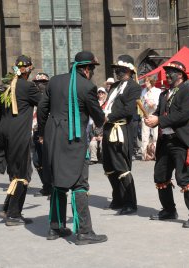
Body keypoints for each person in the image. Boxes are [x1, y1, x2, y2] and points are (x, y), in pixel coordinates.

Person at [37, 51, 107, 245]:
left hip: (52, 136)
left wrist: (42, 133)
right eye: (92, 69)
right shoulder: (87, 87)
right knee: (79, 183)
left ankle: (55, 227)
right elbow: (98, 116)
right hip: (73, 139)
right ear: (85, 69)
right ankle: (84, 231)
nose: (92, 73)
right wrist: (102, 118)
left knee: (57, 181)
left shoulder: (54, 81)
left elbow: (42, 108)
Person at [145, 61, 189, 228]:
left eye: (171, 72)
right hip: (165, 141)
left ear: (180, 74)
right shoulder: (164, 94)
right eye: (167, 72)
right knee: (160, 176)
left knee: (183, 178)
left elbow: (183, 115)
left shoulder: (188, 91)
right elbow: (159, 112)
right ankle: (169, 210)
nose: (167, 75)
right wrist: (152, 119)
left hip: (180, 141)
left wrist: (160, 120)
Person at [0, 55, 41, 226]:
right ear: (28, 70)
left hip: (5, 135)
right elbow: (44, 104)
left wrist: (1, 130)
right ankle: (13, 215)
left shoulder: (2, 88)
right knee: (22, 174)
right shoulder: (28, 87)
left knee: (15, 173)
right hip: (19, 135)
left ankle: (7, 208)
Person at [102, 55, 141, 214]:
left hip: (120, 129)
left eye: (121, 69)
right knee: (109, 166)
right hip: (108, 128)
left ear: (129, 70)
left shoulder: (134, 87)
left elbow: (129, 109)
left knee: (121, 165)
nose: (117, 72)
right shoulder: (114, 85)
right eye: (117, 69)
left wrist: (109, 117)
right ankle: (117, 198)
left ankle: (130, 202)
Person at [32, 72, 52, 197]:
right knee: (37, 161)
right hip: (36, 131)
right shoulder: (34, 97)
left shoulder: (51, 97)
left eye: (43, 83)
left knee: (49, 161)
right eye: (37, 83)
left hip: (48, 132)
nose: (40, 85)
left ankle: (54, 188)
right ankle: (46, 186)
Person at [140, 76, 161, 160]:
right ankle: (144, 155)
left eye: (148, 81)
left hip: (154, 114)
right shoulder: (143, 91)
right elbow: (141, 103)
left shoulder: (157, 91)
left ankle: (155, 154)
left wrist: (152, 103)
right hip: (145, 115)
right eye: (145, 81)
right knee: (145, 135)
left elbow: (158, 104)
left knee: (155, 136)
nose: (146, 83)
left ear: (152, 82)